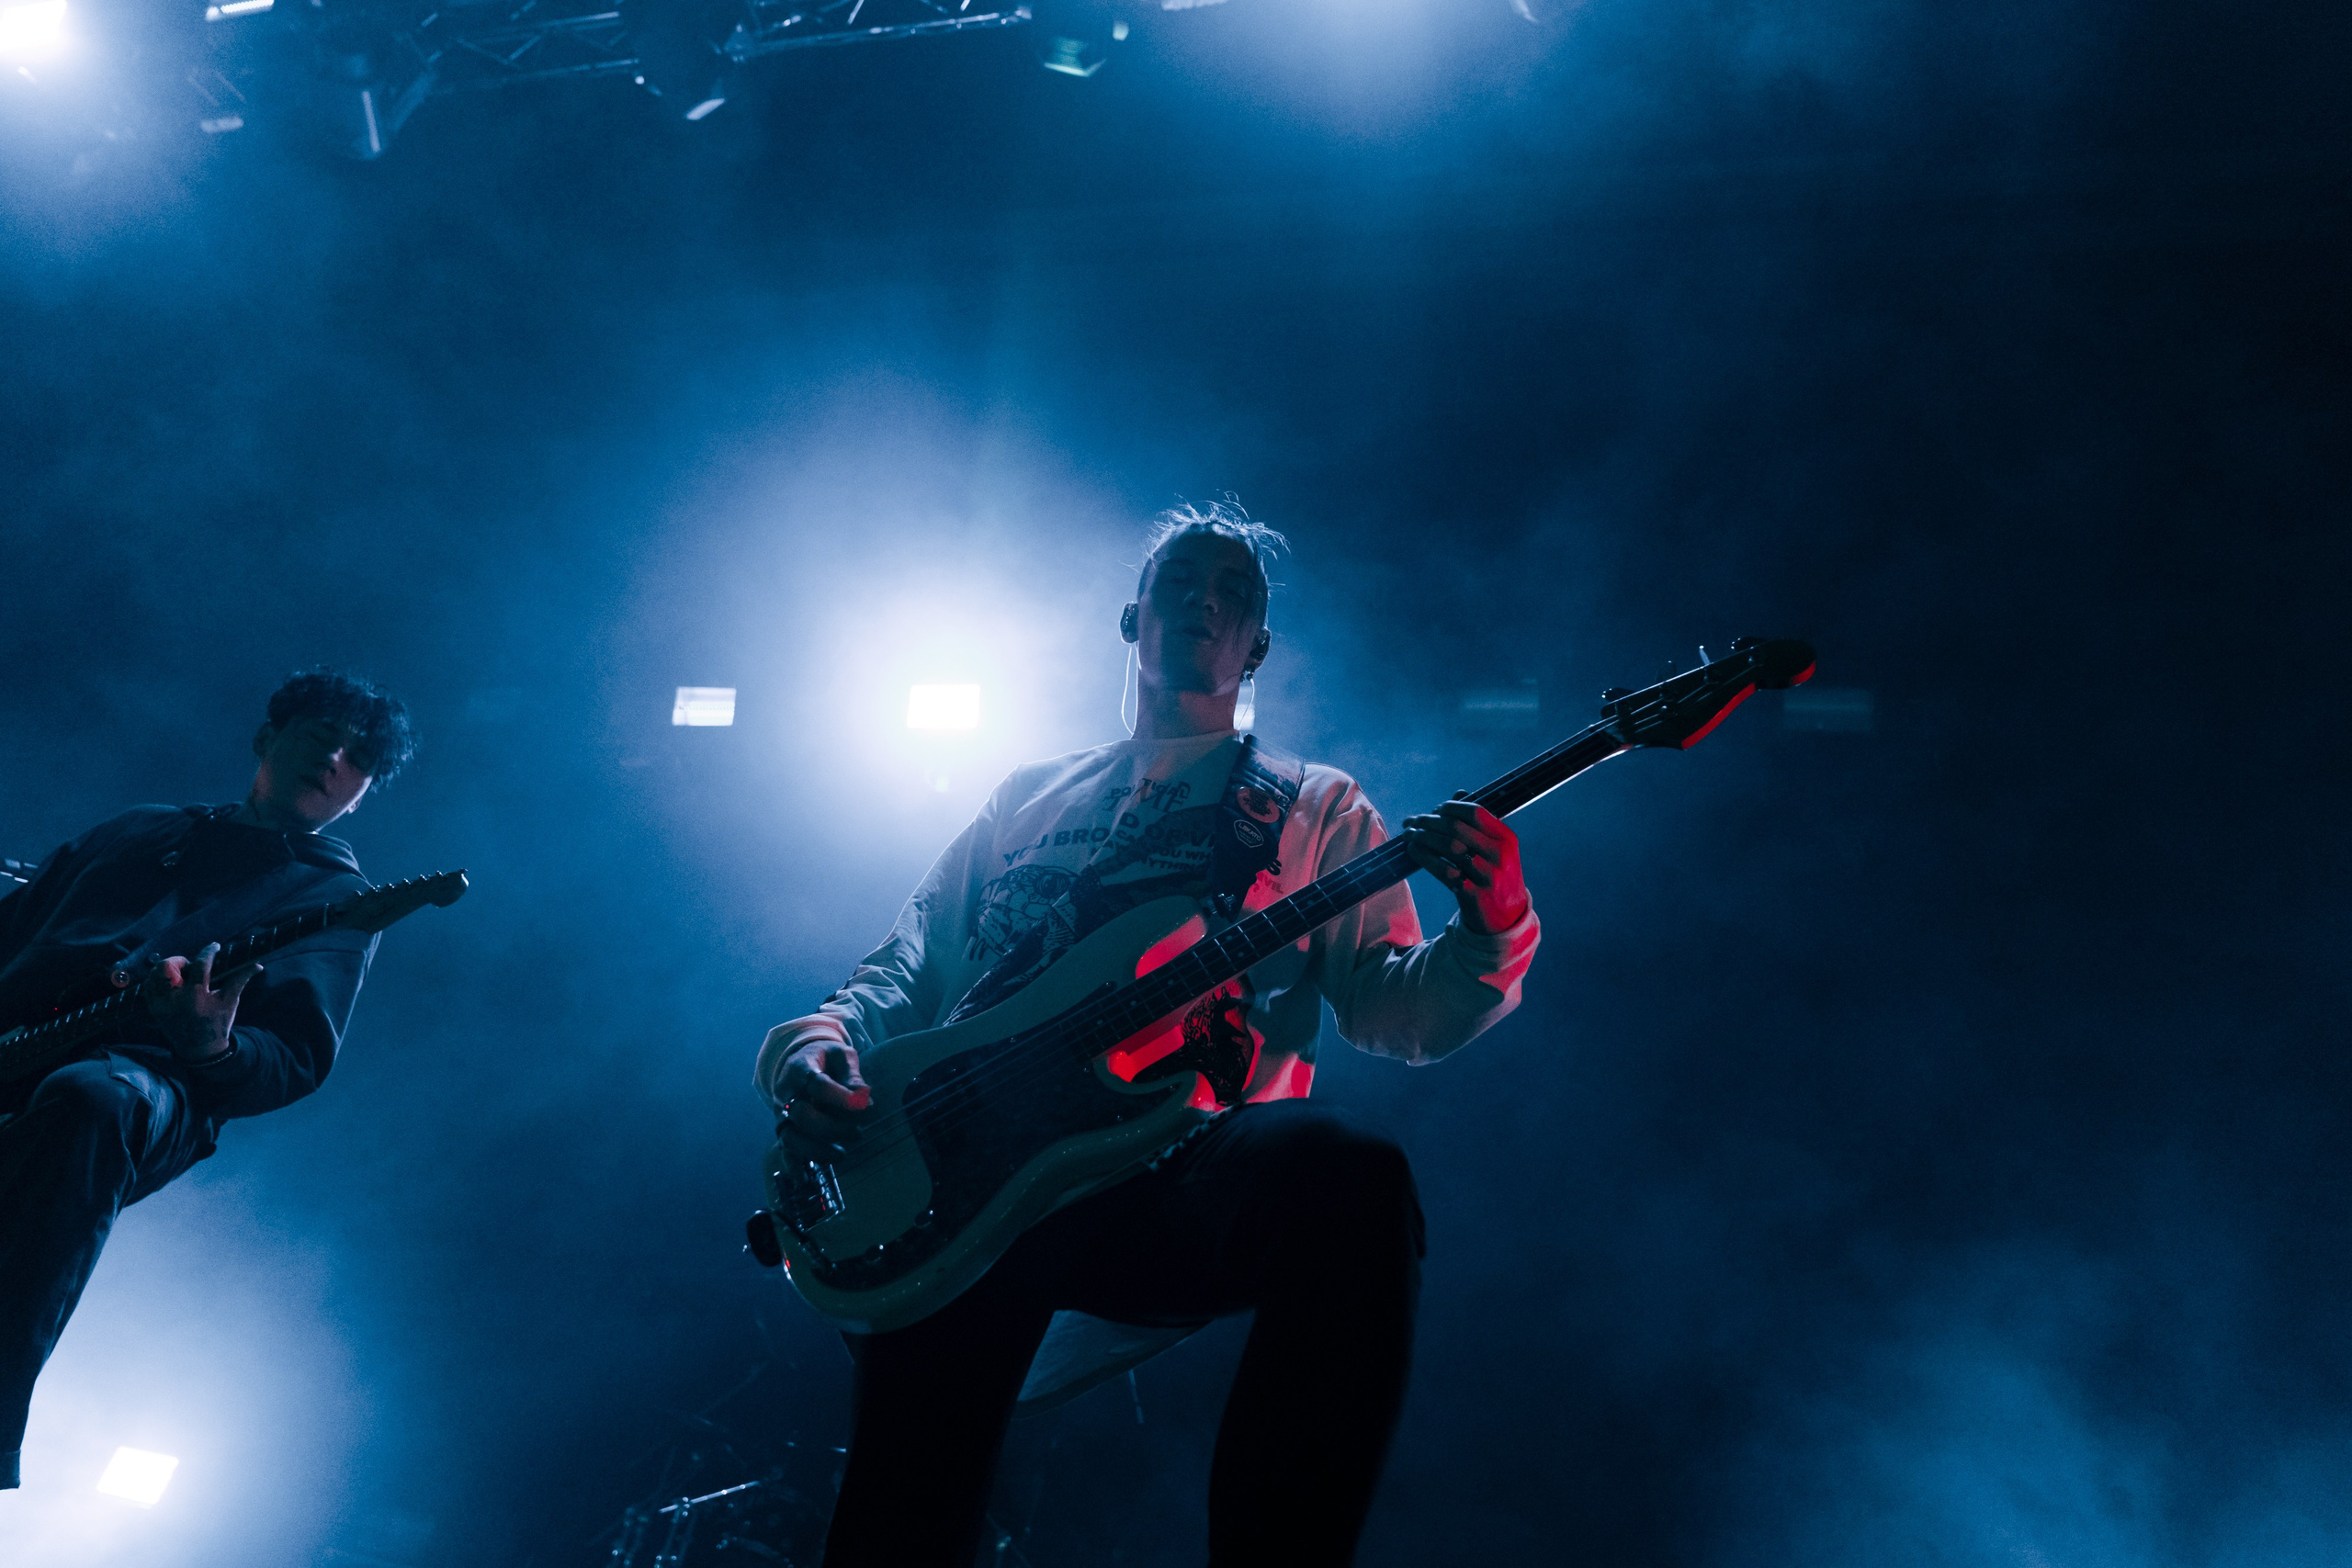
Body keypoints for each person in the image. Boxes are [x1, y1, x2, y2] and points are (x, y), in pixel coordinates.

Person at [756, 502, 1542, 1566]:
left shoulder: (1312, 805)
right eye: (1181, 582)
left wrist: (1492, 926)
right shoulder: (1025, 797)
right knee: (897, 1525)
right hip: (961, 1171)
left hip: (1164, 1163)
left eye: (1233, 595)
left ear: (1255, 647)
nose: (1204, 603)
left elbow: (1394, 1007)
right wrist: (813, 1044)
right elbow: (906, 966)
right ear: (1133, 618)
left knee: (1349, 1181)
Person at [0, 669, 415, 1493]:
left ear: (361, 794)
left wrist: (213, 1047)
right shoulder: (141, 828)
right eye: (320, 733)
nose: (334, 757)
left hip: (155, 1082)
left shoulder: (334, 900)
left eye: (358, 757)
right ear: (268, 737)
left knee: (93, 1099)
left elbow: (295, 1056)